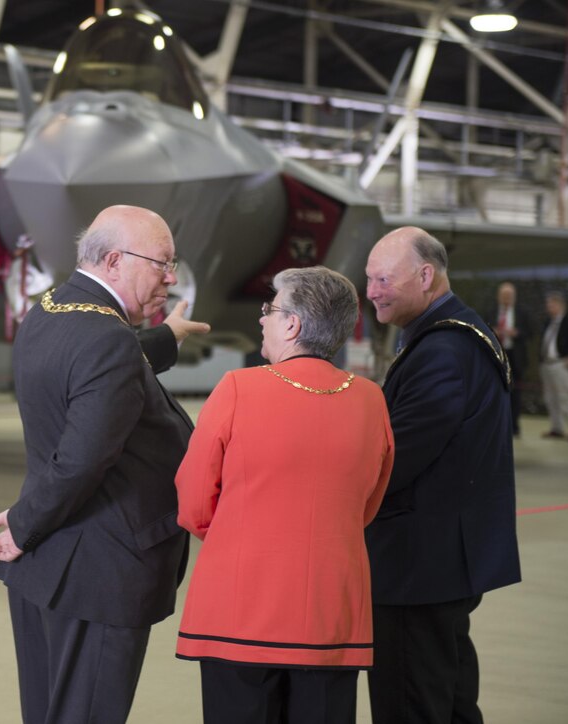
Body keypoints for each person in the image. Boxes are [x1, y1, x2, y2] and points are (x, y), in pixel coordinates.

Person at [0, 205, 208, 724]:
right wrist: (22, 526)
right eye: (162, 263)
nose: (171, 277)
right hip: (100, 574)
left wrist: (166, 337)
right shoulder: (107, 338)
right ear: (113, 262)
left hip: (51, 567)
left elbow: (97, 363)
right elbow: (82, 461)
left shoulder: (52, 308)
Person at [174, 266, 394, 724]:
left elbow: (194, 499)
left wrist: (240, 535)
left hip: (240, 609)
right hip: (332, 613)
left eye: (269, 309)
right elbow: (368, 505)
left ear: (292, 324)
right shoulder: (372, 400)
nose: (261, 320)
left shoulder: (238, 387)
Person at [364, 227, 521, 724]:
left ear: (426, 276)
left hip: (417, 568)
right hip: (440, 563)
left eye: (383, 279)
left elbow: (395, 459)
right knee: (449, 701)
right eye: (369, 279)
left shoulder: (443, 352)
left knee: (411, 704)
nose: (371, 292)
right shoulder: (457, 335)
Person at [539, 291, 568, 441]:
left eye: (551, 304)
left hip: (561, 364)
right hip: (547, 364)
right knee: (550, 398)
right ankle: (557, 428)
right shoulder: (549, 322)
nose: (549, 308)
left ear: (560, 305)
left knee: (566, 398)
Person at [487, 282, 532, 437]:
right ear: (499, 297)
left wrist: (516, 333)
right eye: (504, 296)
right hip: (496, 355)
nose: (506, 299)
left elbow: (530, 332)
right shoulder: (491, 311)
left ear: (514, 297)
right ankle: (495, 424)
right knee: (494, 391)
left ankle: (514, 426)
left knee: (515, 392)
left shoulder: (522, 313)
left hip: (515, 357)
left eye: (509, 296)